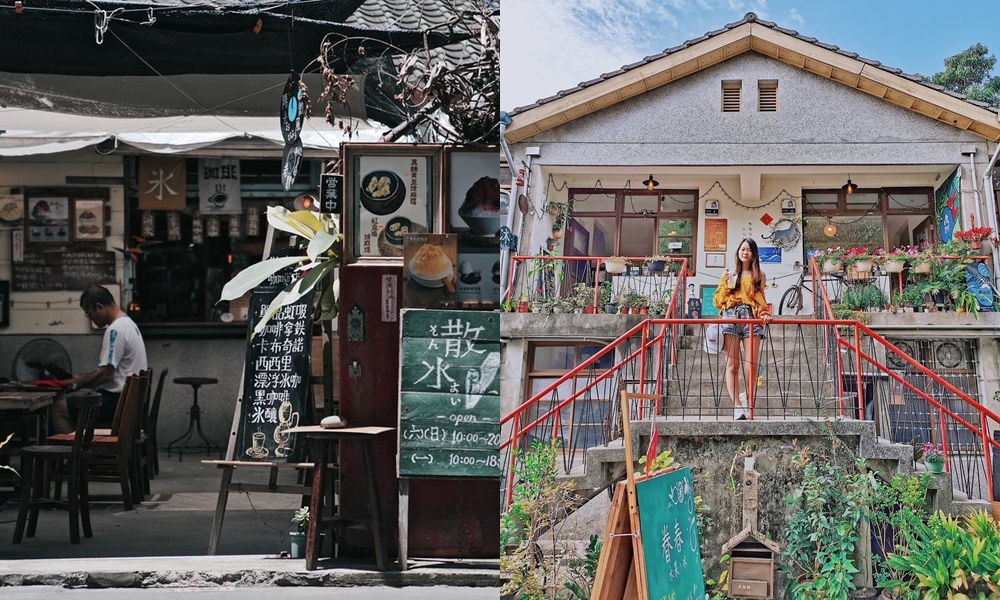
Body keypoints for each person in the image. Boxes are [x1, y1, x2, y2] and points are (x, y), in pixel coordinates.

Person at [50, 285, 148, 433]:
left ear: (99, 307)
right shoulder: (129, 324)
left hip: (116, 403)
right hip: (129, 402)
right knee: (78, 401)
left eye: (89, 314)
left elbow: (106, 374)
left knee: (58, 408)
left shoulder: (115, 330)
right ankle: (82, 449)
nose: (91, 319)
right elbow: (109, 370)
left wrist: (77, 383)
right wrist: (81, 377)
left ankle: (75, 454)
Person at [713, 238, 772, 420]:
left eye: (749, 250)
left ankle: (747, 398)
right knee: (732, 365)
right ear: (738, 251)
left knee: (751, 365)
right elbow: (717, 302)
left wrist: (764, 314)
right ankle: (737, 407)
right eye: (742, 249)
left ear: (754, 254)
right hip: (730, 316)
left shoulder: (759, 276)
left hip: (751, 318)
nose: (745, 252)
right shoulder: (728, 274)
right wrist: (728, 285)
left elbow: (761, 300)